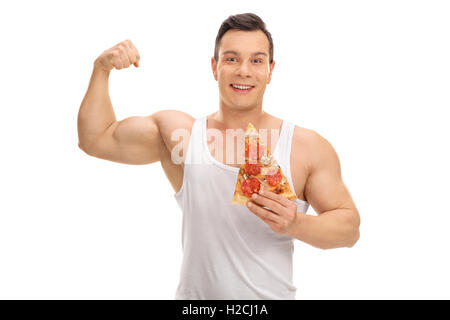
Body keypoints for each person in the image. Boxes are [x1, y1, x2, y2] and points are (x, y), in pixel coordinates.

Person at [77, 13, 360, 300]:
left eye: (257, 60)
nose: (244, 71)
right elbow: (95, 139)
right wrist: (101, 70)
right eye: (232, 59)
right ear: (215, 67)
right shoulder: (181, 135)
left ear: (271, 70)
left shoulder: (305, 146)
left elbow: (350, 229)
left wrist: (296, 223)